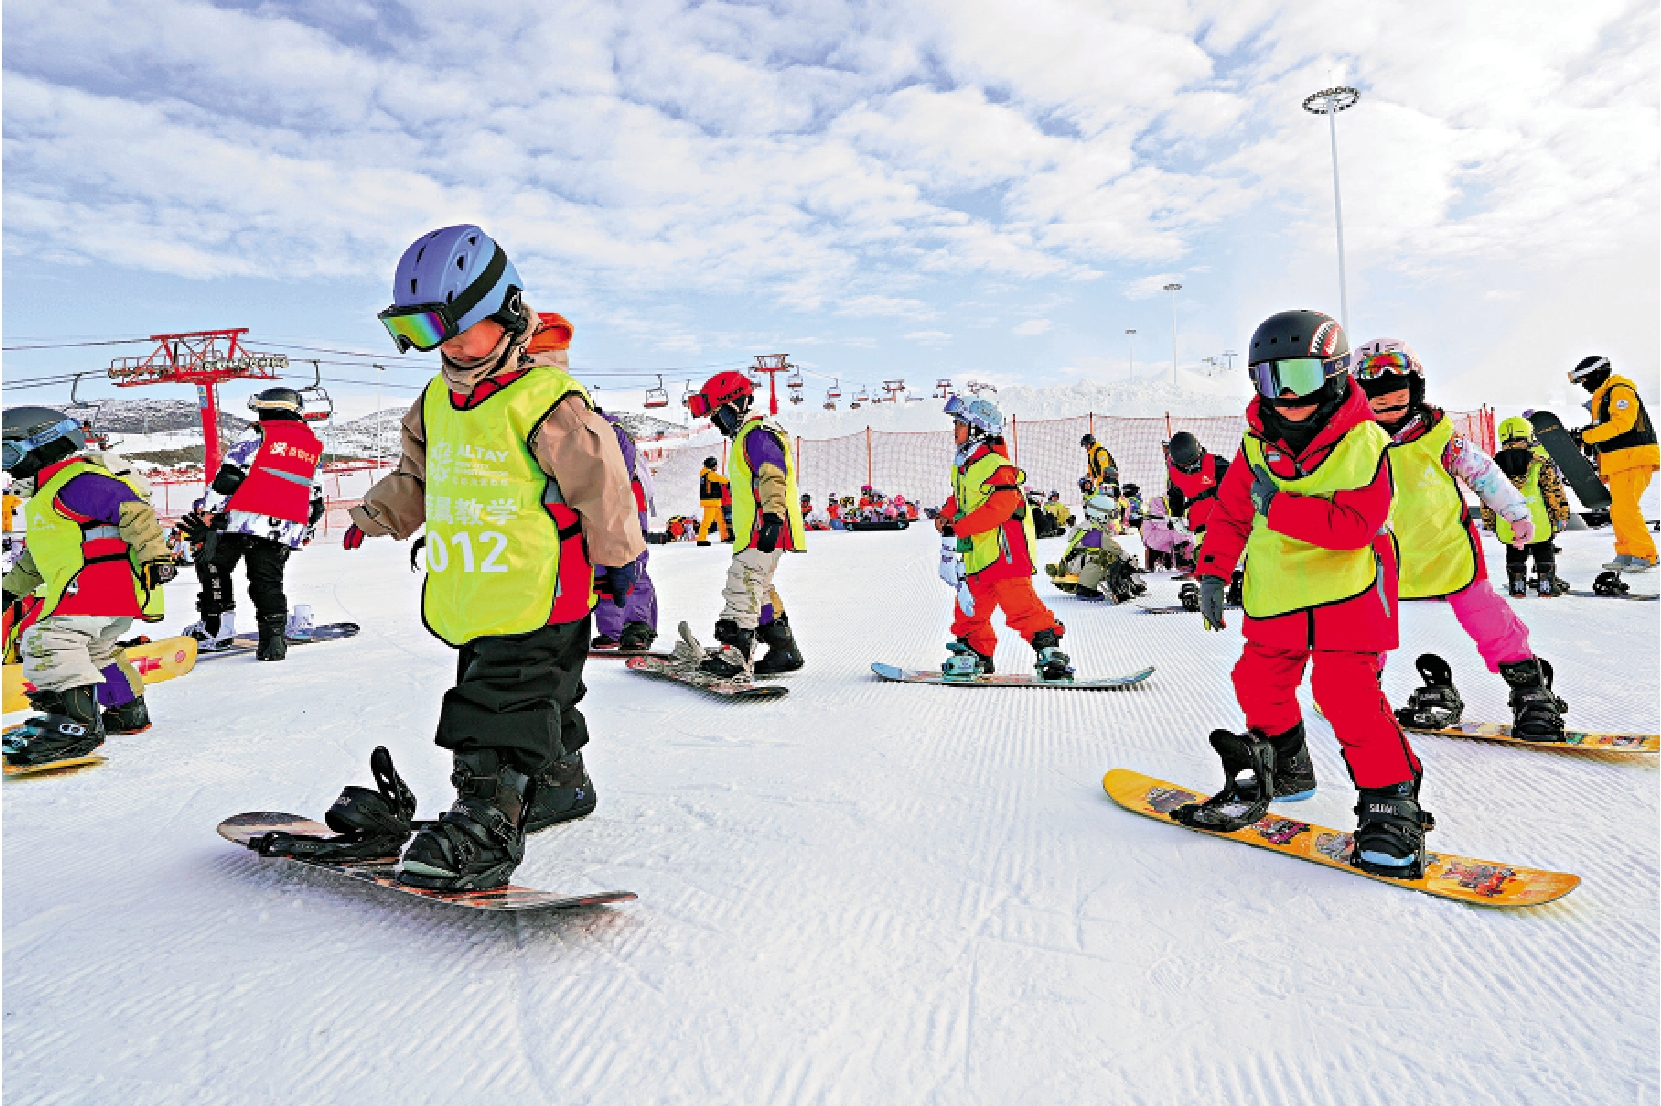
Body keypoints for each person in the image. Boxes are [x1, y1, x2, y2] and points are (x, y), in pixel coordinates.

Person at [342, 224, 645, 892]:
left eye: (458, 328)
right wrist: (373, 515)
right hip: (476, 585)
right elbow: (417, 478)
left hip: (546, 586)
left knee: (498, 704)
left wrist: (620, 558)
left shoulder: (546, 402)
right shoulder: (435, 403)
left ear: (507, 315)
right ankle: (560, 784)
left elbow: (603, 485)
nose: (446, 346)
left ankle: (485, 823)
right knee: (544, 692)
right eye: (424, 331)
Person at [1182, 309, 1430, 879]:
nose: (1288, 395)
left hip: (1350, 591)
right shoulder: (1254, 446)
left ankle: (1391, 801)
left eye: (1303, 377)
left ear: (1337, 375)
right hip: (1279, 594)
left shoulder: (1368, 444)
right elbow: (1229, 512)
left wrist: (1279, 505)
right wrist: (1215, 571)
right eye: (1273, 380)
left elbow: (1354, 527)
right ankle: (1288, 764)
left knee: (1346, 696)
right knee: (1256, 682)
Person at [1353, 338, 1567, 741]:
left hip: (1446, 548)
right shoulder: (1353, 443)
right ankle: (1359, 692)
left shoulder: (1440, 437)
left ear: (1415, 391)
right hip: (1380, 558)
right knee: (1365, 627)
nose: (1389, 407)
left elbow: (1483, 473)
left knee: (1486, 614)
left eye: (1398, 395)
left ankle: (1530, 689)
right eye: (1377, 400)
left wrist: (1516, 510)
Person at [2, 407, 174, 767]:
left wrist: (156, 557)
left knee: (47, 639)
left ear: (46, 445)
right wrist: (8, 591)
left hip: (96, 586)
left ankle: (75, 726)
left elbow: (133, 510)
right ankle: (127, 710)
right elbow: (37, 559)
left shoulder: (77, 481)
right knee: (97, 650)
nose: (8, 466)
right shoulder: (48, 497)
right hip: (99, 594)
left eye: (11, 453)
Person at [178, 387, 326, 661]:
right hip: (283, 526)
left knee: (212, 564)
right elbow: (316, 498)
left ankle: (217, 628)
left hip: (242, 519)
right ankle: (273, 641)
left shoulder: (259, 434)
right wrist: (307, 528)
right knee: (267, 581)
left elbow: (229, 477)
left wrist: (208, 510)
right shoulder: (313, 445)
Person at [937, 396, 1072, 681]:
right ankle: (975, 651)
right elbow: (961, 499)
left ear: (977, 430)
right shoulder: (963, 465)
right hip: (977, 553)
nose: (955, 431)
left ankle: (1049, 651)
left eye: (959, 425)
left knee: (1020, 605)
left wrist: (959, 526)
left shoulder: (997, 465)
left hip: (1005, 551)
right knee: (969, 605)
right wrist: (946, 515)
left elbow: (1001, 507)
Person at [685, 372, 806, 679]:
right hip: (757, 529)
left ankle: (736, 654)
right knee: (760, 589)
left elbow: (771, 475)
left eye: (719, 414)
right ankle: (783, 649)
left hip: (764, 528)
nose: (717, 422)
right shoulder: (748, 435)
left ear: (737, 404)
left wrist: (773, 518)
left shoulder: (757, 434)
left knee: (743, 583)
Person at [1568, 355, 1657, 571]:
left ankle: (1645, 554)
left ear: (1598, 373)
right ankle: (1626, 552)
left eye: (1585, 380)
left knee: (1626, 508)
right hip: (1618, 460)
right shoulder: (1603, 397)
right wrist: (1586, 436)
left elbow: (1622, 424)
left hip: (1632, 458)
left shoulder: (1620, 390)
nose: (1584, 385)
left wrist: (1586, 437)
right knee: (1618, 510)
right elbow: (1606, 429)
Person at [1484, 416, 1571, 597]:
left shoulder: (1492, 466)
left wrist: (1490, 522)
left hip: (1508, 522)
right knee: (1544, 548)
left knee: (1515, 550)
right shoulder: (1539, 463)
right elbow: (1553, 492)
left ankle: (1517, 586)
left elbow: (1487, 497)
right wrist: (1560, 515)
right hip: (1539, 520)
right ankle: (1546, 585)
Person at [1047, 492, 1143, 602]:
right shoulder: (1094, 531)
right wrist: (1127, 558)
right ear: (1102, 515)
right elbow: (1113, 548)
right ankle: (1085, 589)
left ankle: (1128, 584)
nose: (1114, 518)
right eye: (1113, 515)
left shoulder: (1090, 526)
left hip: (1075, 563)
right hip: (1076, 565)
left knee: (1108, 557)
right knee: (1105, 558)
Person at [1164, 430, 1230, 538]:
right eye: (1185, 466)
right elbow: (1175, 495)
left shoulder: (1215, 464)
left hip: (1224, 521)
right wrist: (1176, 517)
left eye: (1194, 463)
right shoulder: (1175, 475)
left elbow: (1236, 485)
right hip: (1200, 526)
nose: (1191, 468)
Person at [1140, 495, 1196, 571]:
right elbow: (1156, 521)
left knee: (1186, 533)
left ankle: (1189, 558)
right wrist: (1173, 524)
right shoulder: (1159, 500)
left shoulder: (1186, 500)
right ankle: (1182, 561)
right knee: (1179, 532)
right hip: (1152, 536)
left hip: (1166, 537)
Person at [696, 457, 731, 545]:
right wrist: (728, 481)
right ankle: (701, 539)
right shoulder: (709, 474)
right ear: (712, 465)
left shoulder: (705, 474)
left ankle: (725, 536)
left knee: (721, 520)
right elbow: (721, 479)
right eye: (715, 465)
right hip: (710, 501)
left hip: (714, 502)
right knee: (707, 521)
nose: (717, 467)